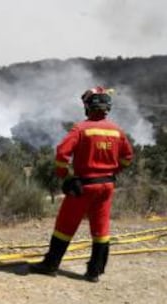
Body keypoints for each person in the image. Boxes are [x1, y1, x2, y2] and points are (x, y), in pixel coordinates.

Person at [30, 86, 134, 282]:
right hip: (107, 186)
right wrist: (113, 172)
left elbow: (62, 154)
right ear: (107, 107)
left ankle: (50, 265)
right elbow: (128, 157)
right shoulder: (117, 131)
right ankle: (95, 271)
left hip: (83, 186)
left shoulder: (81, 129)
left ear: (87, 106)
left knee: (65, 224)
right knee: (101, 227)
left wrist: (66, 176)